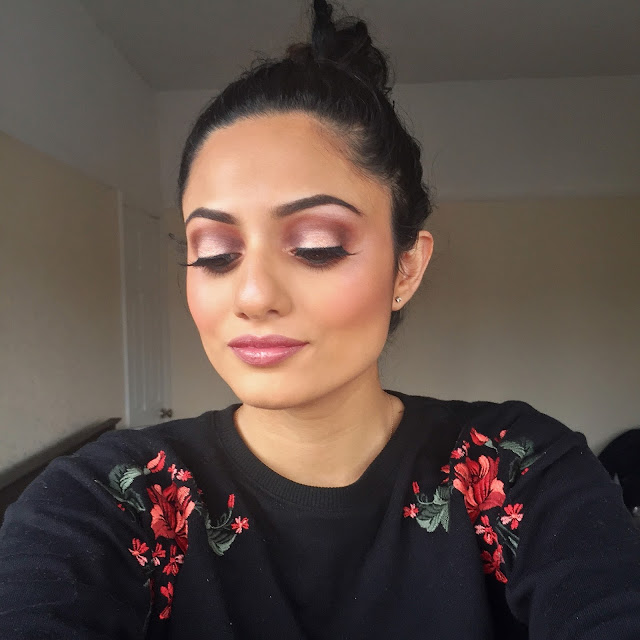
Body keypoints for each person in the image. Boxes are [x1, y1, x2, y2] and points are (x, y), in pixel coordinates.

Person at [1, 1, 639, 637]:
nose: (254, 295)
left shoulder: (520, 469)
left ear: (407, 267)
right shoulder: (110, 496)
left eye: (316, 246)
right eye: (215, 253)